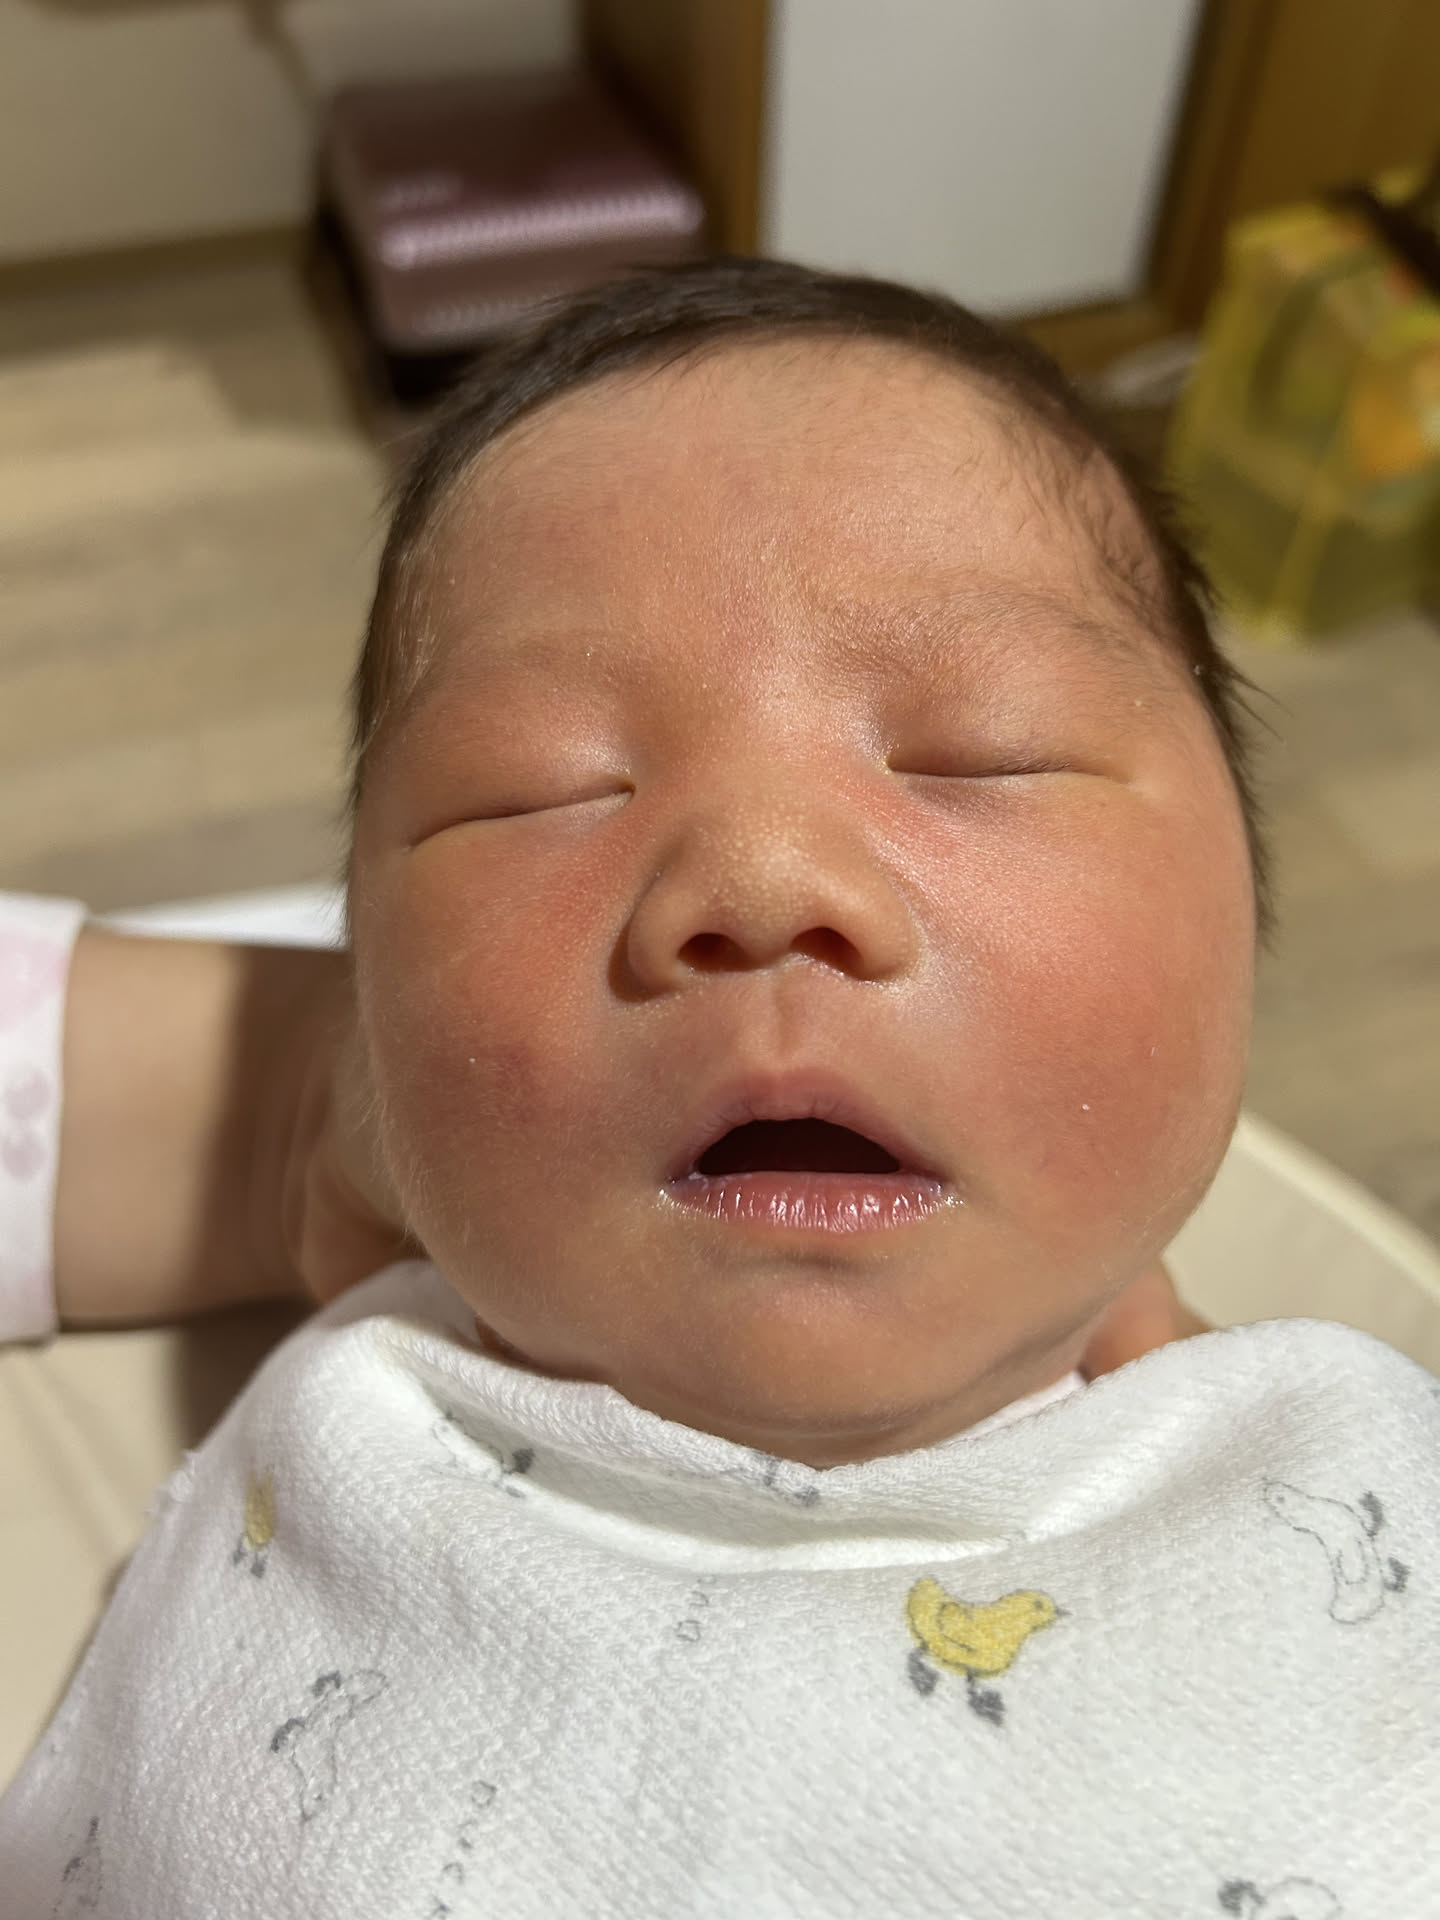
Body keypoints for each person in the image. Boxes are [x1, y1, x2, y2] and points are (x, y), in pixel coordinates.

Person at [2, 259, 1432, 1916]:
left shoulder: (1357, 1501)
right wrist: (303, 1111)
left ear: (1245, 916)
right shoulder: (361, 1394)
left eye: (984, 749)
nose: (759, 880)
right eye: (537, 789)